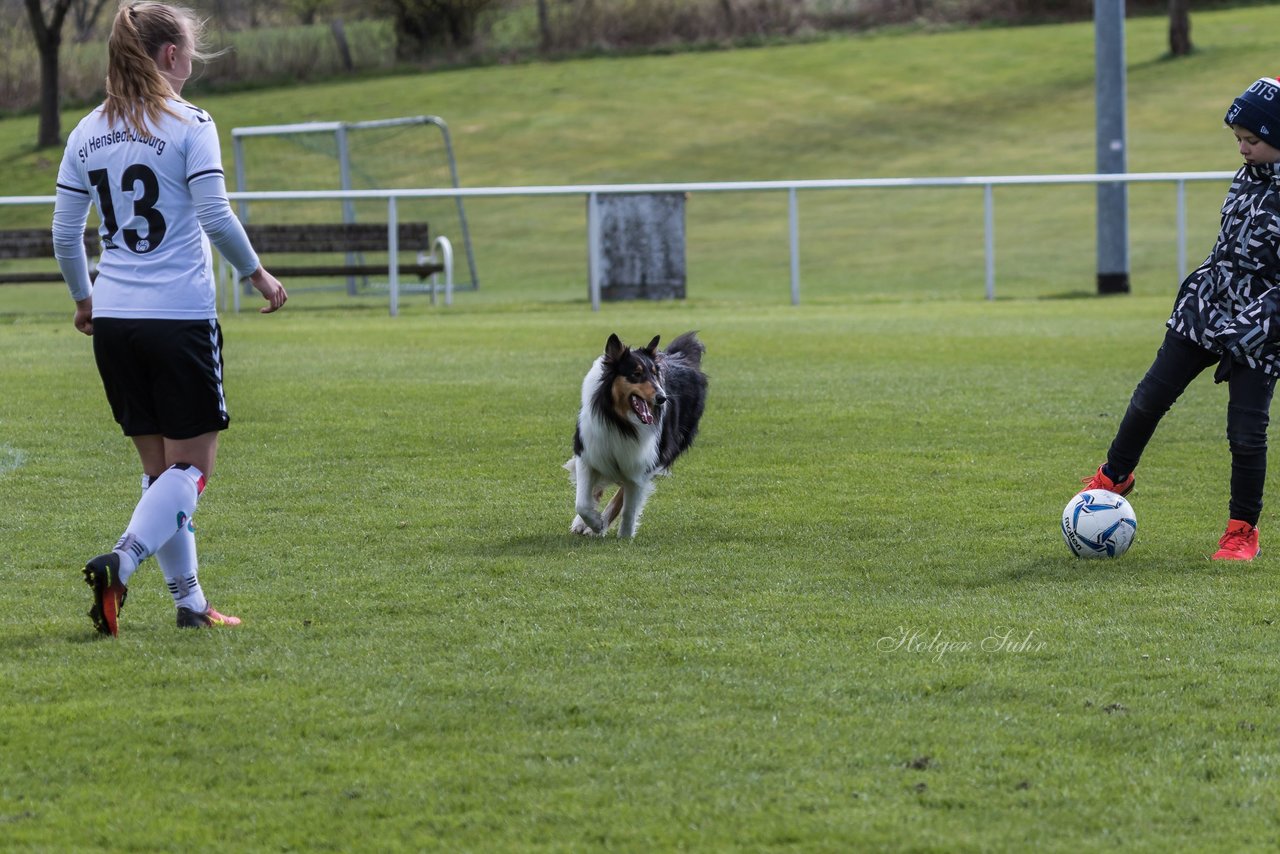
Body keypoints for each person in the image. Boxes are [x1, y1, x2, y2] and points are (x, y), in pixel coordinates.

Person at [52, 2, 287, 635]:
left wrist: (84, 299)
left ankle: (190, 603)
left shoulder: (85, 132)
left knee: (162, 478)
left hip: (116, 322)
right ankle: (120, 563)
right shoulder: (191, 123)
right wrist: (256, 273)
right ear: (170, 57)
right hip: (177, 320)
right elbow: (215, 216)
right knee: (192, 474)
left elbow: (64, 232)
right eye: (188, 52)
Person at [1081, 75, 1280, 561]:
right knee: (1151, 395)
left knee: (1246, 433)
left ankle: (1240, 531)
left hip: (1260, 330)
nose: (1242, 150)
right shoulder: (1246, 178)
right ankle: (1114, 474)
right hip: (1206, 309)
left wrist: (1250, 331)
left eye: (1252, 141)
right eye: (1237, 140)